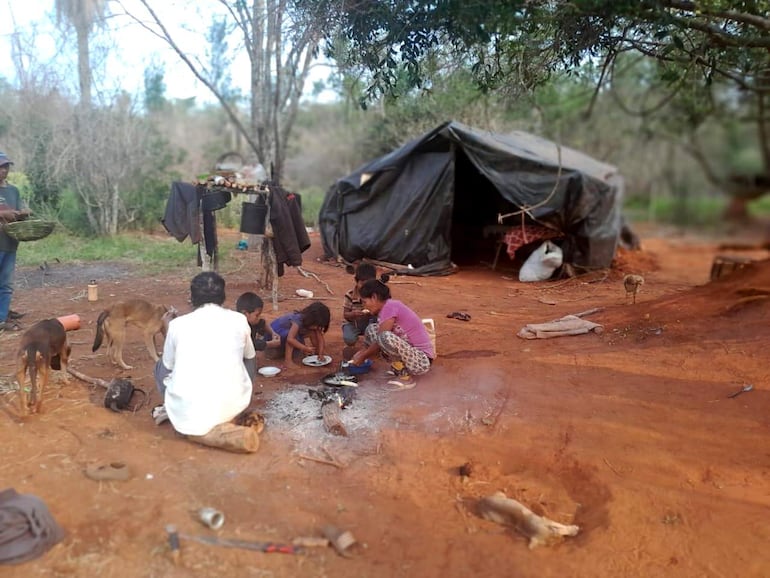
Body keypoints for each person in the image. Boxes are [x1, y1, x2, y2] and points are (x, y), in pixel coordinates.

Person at [152, 272, 258, 447]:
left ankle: (174, 408)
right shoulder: (239, 320)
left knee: (160, 366)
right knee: (249, 358)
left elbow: (168, 366)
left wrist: (167, 328)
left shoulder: (177, 325)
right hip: (233, 406)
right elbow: (250, 359)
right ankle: (233, 405)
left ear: (192, 297)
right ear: (222, 296)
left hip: (188, 416)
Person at [349, 278, 435, 389]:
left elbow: (381, 339)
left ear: (374, 297)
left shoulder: (390, 307)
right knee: (372, 329)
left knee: (384, 337)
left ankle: (405, 378)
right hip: (412, 355)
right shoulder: (387, 308)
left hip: (421, 361)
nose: (365, 306)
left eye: (365, 302)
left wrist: (363, 356)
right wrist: (362, 353)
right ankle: (398, 368)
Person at [0, 152, 31, 332]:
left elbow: (18, 213)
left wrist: (23, 214)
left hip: (10, 244)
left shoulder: (13, 191)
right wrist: (3, 214)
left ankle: (2, 318)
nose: (4, 170)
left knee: (6, 284)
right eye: (1, 167)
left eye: (6, 167)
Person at [270, 301, 330, 366]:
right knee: (291, 337)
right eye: (317, 325)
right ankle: (288, 361)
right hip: (275, 334)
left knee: (313, 332)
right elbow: (290, 339)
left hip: (288, 334)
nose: (317, 328)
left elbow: (320, 339)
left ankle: (317, 353)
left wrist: (321, 353)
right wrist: (305, 348)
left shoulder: (314, 324)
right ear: (311, 319)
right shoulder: (297, 320)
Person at [342, 263, 378, 347]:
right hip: (353, 323)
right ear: (356, 281)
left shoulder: (375, 294)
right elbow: (345, 314)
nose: (365, 287)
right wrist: (353, 314)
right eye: (362, 284)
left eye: (368, 284)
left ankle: (372, 344)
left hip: (370, 322)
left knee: (377, 331)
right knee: (349, 339)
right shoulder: (350, 295)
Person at [235, 291, 280, 357]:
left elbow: (263, 323)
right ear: (245, 313)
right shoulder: (238, 328)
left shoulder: (251, 320)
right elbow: (251, 345)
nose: (259, 317)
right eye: (257, 315)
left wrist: (273, 333)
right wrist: (270, 344)